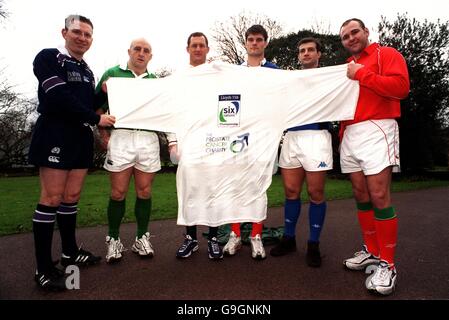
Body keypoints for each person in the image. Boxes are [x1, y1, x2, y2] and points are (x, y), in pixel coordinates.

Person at [29, 14, 116, 291]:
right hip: (55, 131)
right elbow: (59, 97)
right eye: (77, 32)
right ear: (64, 32)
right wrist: (95, 117)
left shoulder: (88, 71)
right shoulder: (48, 57)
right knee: (51, 197)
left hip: (80, 136)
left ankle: (69, 253)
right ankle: (43, 268)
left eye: (88, 34)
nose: (82, 38)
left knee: (71, 197)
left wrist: (108, 92)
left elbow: (88, 104)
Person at [339, 18, 409, 295]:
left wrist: (361, 74)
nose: (351, 38)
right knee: (361, 194)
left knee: (379, 195)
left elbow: (401, 88)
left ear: (366, 32)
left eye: (354, 32)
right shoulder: (345, 66)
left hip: (379, 126)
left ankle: (388, 264)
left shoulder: (386, 54)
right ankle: (372, 251)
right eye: (345, 36)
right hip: (351, 133)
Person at [95, 38, 174, 263]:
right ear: (129, 51)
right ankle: (113, 239)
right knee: (118, 193)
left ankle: (141, 238)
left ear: (151, 56)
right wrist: (103, 134)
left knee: (145, 192)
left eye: (146, 51)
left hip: (147, 138)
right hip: (121, 137)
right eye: (137, 49)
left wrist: (171, 140)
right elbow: (96, 106)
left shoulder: (155, 82)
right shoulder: (112, 74)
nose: (141, 53)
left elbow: (164, 114)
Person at [269, 38, 331, 268]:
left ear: (318, 54)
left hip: (317, 137)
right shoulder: (290, 79)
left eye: (310, 50)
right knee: (291, 190)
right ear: (298, 56)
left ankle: (313, 244)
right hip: (292, 137)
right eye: (302, 51)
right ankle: (289, 238)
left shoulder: (329, 78)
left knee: (315, 192)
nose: (305, 53)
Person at [223, 24, 279, 260]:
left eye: (259, 39)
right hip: (238, 136)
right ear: (245, 43)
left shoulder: (275, 71)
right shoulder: (234, 72)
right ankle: (235, 234)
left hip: (264, 136)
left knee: (259, 185)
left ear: (265, 43)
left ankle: (256, 236)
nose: (254, 43)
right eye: (251, 39)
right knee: (235, 185)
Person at [173, 32, 223, 260]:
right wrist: (173, 141)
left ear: (207, 49)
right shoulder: (179, 77)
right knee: (189, 192)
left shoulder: (218, 75)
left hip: (213, 143)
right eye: (194, 45)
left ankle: (213, 238)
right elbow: (170, 111)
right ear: (187, 49)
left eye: (202, 45)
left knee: (213, 191)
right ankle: (190, 239)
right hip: (188, 144)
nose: (198, 49)